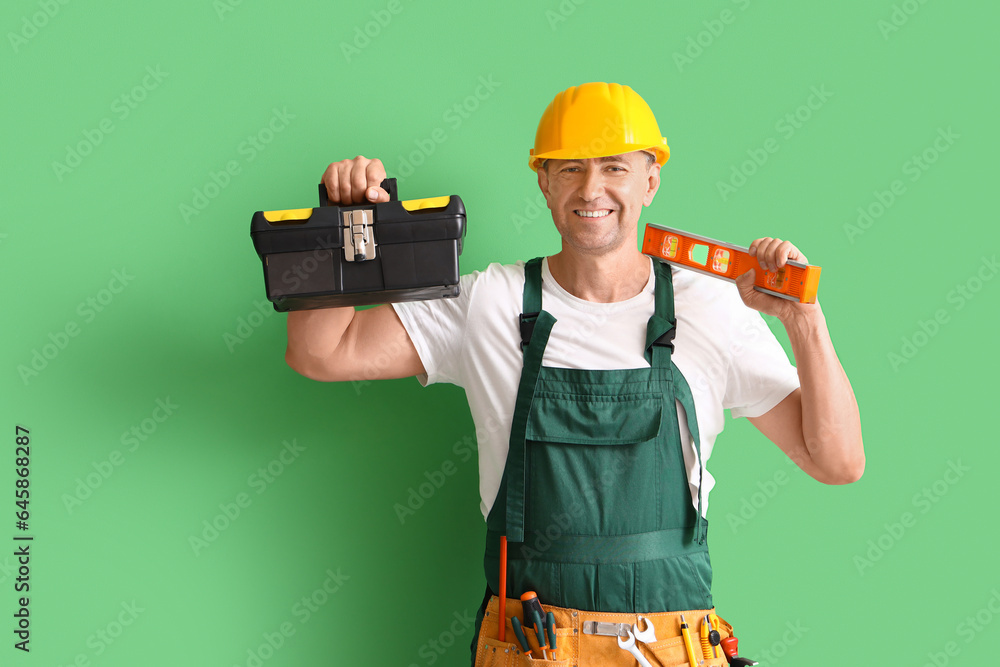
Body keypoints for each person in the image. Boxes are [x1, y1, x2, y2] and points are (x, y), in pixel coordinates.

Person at [284, 82, 863, 667]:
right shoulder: (488, 301)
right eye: (570, 169)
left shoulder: (712, 305)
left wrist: (803, 320)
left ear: (650, 179)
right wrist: (345, 229)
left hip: (671, 645)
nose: (592, 189)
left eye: (614, 167)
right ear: (544, 181)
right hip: (532, 646)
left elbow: (837, 461)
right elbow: (323, 353)